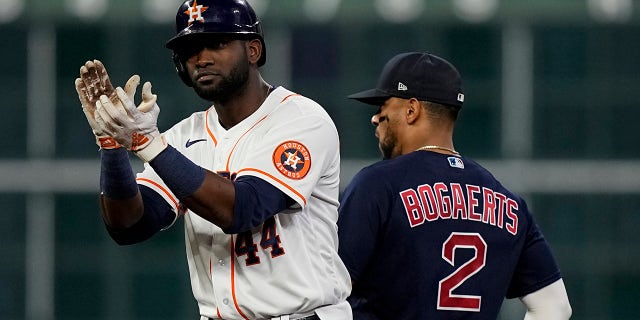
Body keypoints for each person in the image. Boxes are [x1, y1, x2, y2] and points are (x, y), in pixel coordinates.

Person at [73, 0, 352, 319]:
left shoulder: (301, 120)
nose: (201, 59)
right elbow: (130, 226)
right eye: (190, 49)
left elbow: (243, 209)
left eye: (216, 43)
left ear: (253, 51)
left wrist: (148, 145)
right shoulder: (182, 136)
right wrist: (112, 147)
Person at [337, 52, 572, 320]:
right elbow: (555, 308)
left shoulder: (378, 185)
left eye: (382, 106)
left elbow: (328, 289)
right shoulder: (510, 204)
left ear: (411, 110)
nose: (375, 118)